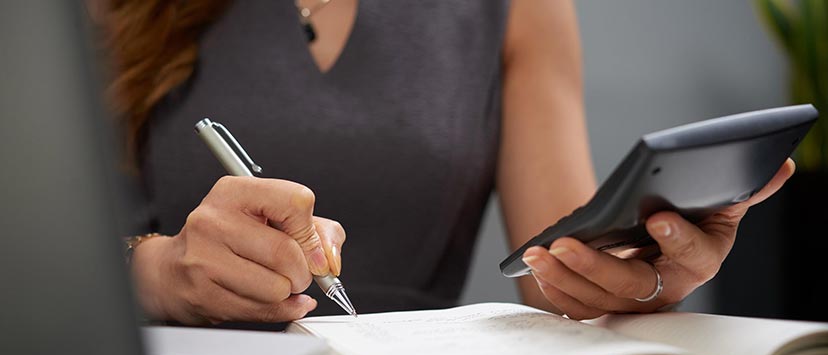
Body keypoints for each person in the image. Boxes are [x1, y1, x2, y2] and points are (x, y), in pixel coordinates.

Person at [91, 0, 795, 325]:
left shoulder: (520, 7)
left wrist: (645, 276)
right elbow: (35, 266)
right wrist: (158, 271)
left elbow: (557, 275)